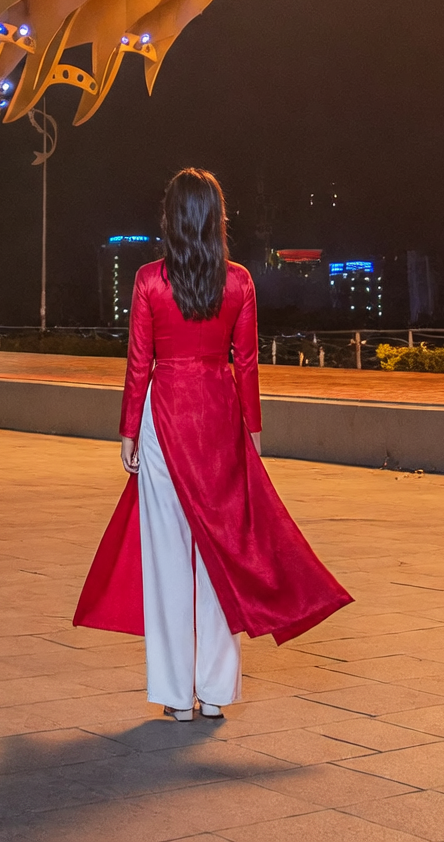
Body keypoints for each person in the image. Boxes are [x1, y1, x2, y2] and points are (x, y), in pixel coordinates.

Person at [73, 168, 352, 719]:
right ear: (217, 217)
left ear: (171, 217)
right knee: (219, 554)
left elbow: (138, 363)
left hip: (164, 414)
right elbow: (245, 362)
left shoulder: (150, 280)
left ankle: (177, 697)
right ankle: (218, 693)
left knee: (168, 558)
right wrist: (250, 430)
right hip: (219, 417)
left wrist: (128, 429)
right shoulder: (239, 281)